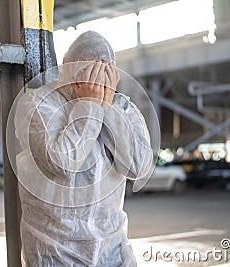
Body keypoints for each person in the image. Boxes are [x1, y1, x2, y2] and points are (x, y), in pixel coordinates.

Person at [14, 31, 153, 266]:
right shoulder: (38, 104)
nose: (96, 80)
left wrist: (106, 107)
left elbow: (139, 166)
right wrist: (89, 105)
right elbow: (61, 163)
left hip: (112, 249)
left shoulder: (122, 108)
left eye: (104, 72)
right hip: (55, 251)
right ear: (66, 66)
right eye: (88, 71)